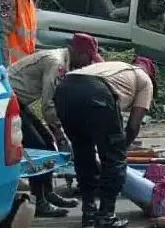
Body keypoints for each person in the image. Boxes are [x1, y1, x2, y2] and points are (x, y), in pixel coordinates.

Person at [54, 57, 157, 228]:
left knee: (82, 153)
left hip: (65, 90)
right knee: (113, 160)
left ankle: (89, 211)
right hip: (96, 92)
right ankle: (106, 216)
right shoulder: (145, 80)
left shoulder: (112, 67)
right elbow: (133, 126)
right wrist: (119, 153)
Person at [8, 33, 103, 217]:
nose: (87, 64)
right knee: (40, 147)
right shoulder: (57, 63)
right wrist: (60, 133)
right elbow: (48, 105)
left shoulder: (63, 60)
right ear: (77, 52)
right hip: (8, 100)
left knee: (47, 142)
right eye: (87, 58)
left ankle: (48, 193)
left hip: (19, 101)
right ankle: (40, 201)